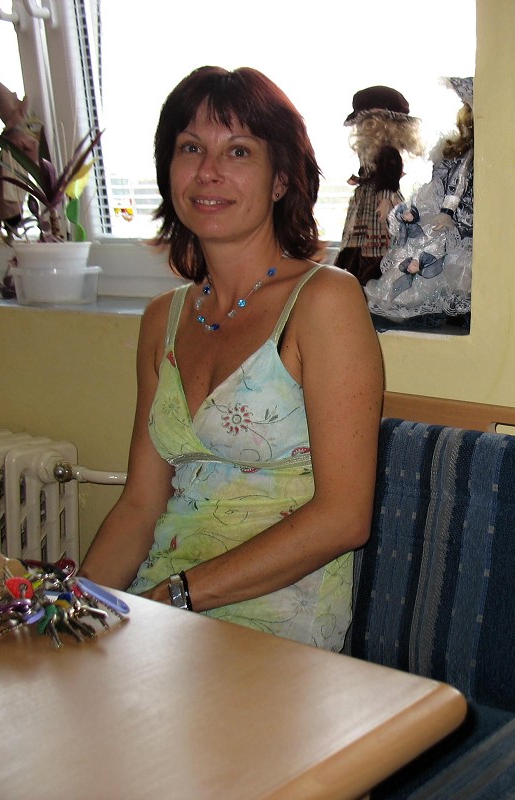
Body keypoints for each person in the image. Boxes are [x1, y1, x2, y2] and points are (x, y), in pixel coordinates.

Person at [80, 66, 384, 649]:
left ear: (281, 179)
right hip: (160, 608)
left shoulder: (324, 301)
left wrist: (176, 596)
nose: (208, 171)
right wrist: (77, 607)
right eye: (190, 147)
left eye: (239, 151)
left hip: (272, 623)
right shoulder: (162, 320)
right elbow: (140, 505)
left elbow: (344, 517)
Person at [365, 78, 474, 328]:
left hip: (460, 216)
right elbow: (453, 181)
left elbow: (458, 183)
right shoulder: (459, 152)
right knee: (426, 247)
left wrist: (447, 210)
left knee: (444, 255)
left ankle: (441, 305)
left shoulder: (468, 154)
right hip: (451, 212)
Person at [335, 85, 424, 286]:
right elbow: (370, 172)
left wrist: (384, 200)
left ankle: (373, 278)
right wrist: (360, 179)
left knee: (379, 241)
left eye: (365, 123)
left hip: (382, 199)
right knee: (360, 238)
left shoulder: (388, 153)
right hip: (367, 199)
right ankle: (358, 278)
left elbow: (389, 177)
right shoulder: (371, 150)